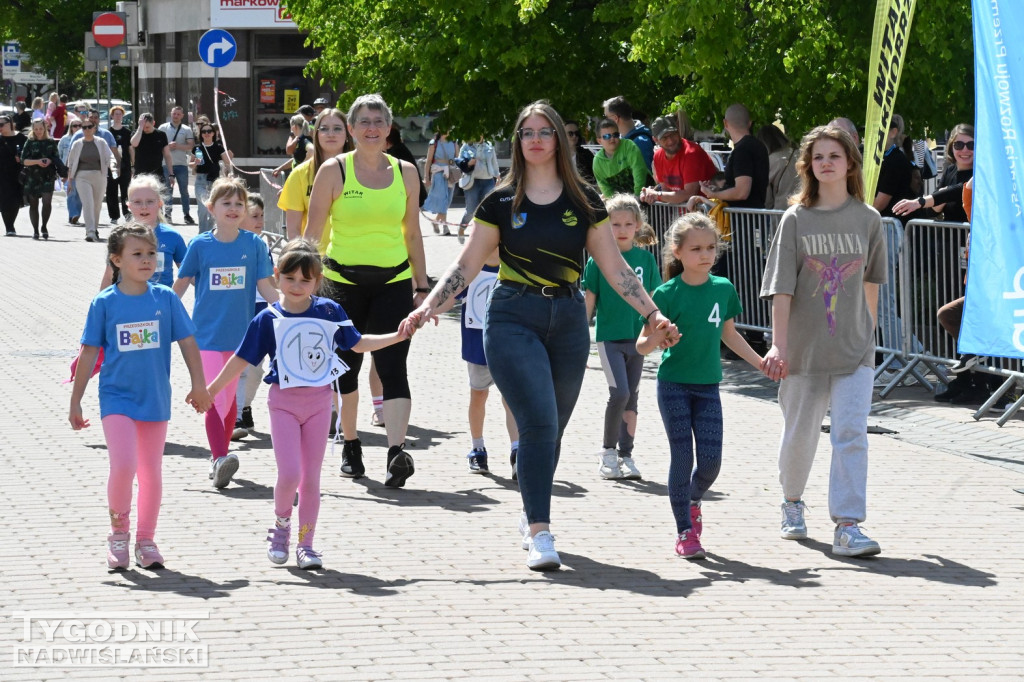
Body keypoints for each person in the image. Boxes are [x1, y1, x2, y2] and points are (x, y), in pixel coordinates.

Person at [406, 100, 679, 571]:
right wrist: (431, 303)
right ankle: (540, 531)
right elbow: (469, 263)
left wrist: (653, 315)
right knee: (537, 423)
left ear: (559, 139)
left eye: (544, 131)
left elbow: (615, 269)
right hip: (513, 314)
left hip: (569, 317)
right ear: (518, 141)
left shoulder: (586, 202)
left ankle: (531, 506)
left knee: (552, 430)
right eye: (527, 132)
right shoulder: (500, 202)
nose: (535, 139)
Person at [206, 240, 411, 569]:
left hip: (319, 405)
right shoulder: (268, 318)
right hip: (283, 405)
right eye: (290, 279)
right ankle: (281, 527)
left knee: (311, 479)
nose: (297, 286)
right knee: (289, 474)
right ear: (277, 278)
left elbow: (357, 343)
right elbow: (242, 359)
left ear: (317, 281)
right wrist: (211, 389)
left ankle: (307, 543)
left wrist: (397, 336)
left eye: (306, 280)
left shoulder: (330, 311)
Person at [760, 125, 887, 557]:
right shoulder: (796, 219)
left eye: (834, 156)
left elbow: (871, 284)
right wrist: (779, 345)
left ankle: (848, 524)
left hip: (855, 351)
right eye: (818, 158)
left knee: (851, 433)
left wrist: (868, 335)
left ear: (850, 163)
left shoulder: (869, 219)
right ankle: (792, 502)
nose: (826, 163)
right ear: (808, 167)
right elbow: (782, 289)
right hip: (802, 350)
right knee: (800, 434)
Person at [69, 223, 212, 570]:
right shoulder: (104, 303)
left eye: (151, 254)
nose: (147, 260)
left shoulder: (165, 298)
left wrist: (199, 384)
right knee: (124, 465)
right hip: (116, 398)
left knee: (150, 472)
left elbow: (189, 343)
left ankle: (146, 541)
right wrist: (76, 401)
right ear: (116, 260)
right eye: (137, 254)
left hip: (155, 399)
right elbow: (88, 353)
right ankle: (119, 534)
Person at [303, 93, 428, 487]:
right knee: (348, 367)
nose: (372, 128)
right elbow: (314, 233)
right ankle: (351, 443)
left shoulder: (407, 172)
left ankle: (396, 452)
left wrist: (422, 287)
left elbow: (412, 232)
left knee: (393, 366)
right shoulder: (334, 171)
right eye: (364, 122)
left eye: (379, 121)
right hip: (341, 284)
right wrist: (304, 285)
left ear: (389, 129)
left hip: (394, 282)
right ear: (352, 130)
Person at [637, 213, 764, 559]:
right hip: (674, 385)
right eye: (696, 249)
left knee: (710, 463)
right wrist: (658, 337)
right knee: (681, 456)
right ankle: (684, 532)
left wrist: (761, 364)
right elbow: (642, 345)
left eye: (710, 247)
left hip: (708, 388)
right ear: (677, 252)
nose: (705, 254)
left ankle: (691, 499)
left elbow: (730, 334)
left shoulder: (723, 288)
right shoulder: (665, 293)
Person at [173, 177, 279, 488]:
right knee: (213, 395)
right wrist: (158, 312)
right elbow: (178, 287)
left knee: (230, 398)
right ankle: (220, 457)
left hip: (240, 337)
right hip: (204, 335)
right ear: (211, 208)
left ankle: (218, 458)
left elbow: (266, 288)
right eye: (226, 203)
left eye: (238, 204)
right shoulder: (199, 245)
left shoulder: (254, 245)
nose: (233, 209)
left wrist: (293, 311)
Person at [583, 194, 660, 480]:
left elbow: (652, 301)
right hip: (609, 339)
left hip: (637, 340)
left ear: (638, 225)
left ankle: (626, 455)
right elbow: (589, 302)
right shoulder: (598, 260)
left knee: (633, 398)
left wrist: (656, 334)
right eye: (615, 224)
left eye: (628, 223)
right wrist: (579, 341)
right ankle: (607, 453)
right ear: (605, 226)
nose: (622, 229)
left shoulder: (646, 260)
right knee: (620, 392)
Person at [280, 108, 354, 253]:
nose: (331, 134)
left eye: (337, 129)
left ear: (347, 134)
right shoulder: (299, 174)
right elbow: (294, 230)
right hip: (316, 264)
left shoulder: (362, 171)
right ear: (316, 134)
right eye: (324, 129)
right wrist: (303, 260)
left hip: (354, 261)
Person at [100, 175, 187, 290]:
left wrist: (173, 299)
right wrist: (101, 306)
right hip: (128, 303)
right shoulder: (121, 236)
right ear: (129, 205)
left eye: (150, 201)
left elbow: (189, 275)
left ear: (159, 204)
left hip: (160, 306)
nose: (144, 207)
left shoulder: (172, 237)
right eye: (137, 202)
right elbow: (109, 275)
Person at [233, 195, 270, 440]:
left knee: (256, 369)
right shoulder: (228, 244)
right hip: (235, 310)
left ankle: (245, 406)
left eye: (261, 216)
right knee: (239, 367)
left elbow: (270, 281)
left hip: (259, 309)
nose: (260, 221)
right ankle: (234, 416)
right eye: (254, 216)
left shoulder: (262, 245)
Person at [689, 104, 769, 211]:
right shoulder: (758, 145)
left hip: (744, 221)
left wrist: (713, 194)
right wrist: (718, 190)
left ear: (725, 123)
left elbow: (741, 192)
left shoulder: (742, 150)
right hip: (755, 217)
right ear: (749, 123)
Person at [640, 115, 717, 206]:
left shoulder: (691, 153)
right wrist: (649, 195)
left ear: (678, 131)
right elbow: (666, 190)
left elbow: (689, 193)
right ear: (655, 140)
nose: (670, 140)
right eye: (664, 138)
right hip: (684, 215)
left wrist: (656, 195)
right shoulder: (658, 156)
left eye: (673, 134)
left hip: (707, 213)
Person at [67, 119, 113, 242]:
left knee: (97, 205)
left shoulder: (101, 142)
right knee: (88, 203)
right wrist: (70, 181)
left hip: (99, 175)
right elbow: (70, 163)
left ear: (94, 128)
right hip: (82, 176)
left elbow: (109, 157)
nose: (87, 129)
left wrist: (114, 170)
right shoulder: (77, 144)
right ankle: (90, 231)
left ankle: (94, 228)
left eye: (89, 127)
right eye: (84, 127)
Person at [20, 119, 61, 240]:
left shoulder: (50, 141)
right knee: (33, 204)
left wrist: (50, 160)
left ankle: (44, 226)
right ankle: (35, 230)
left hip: (47, 176)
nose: (38, 131)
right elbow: (24, 160)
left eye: (41, 129)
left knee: (47, 202)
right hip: (32, 176)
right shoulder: (30, 142)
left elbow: (56, 157)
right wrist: (37, 161)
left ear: (45, 129)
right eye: (36, 129)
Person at [456, 136, 501, 241]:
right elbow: (460, 161)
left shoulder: (489, 145)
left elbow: (494, 162)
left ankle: (482, 234)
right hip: (472, 181)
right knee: (471, 209)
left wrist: (497, 177)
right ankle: (462, 228)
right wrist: (468, 163)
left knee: (487, 208)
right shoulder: (466, 145)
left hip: (488, 181)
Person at [191, 123, 233, 233]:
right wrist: (194, 163)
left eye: (209, 131)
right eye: (204, 132)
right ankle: (202, 234)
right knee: (203, 209)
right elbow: (190, 164)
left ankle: (209, 233)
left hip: (215, 181)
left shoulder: (218, 147)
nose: (206, 134)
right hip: (201, 180)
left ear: (213, 133)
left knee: (212, 209)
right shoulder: (197, 148)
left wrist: (228, 174)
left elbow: (228, 162)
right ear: (201, 134)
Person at [158, 106, 196, 225]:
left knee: (184, 191)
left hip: (181, 164)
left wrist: (178, 146)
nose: (176, 116)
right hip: (165, 164)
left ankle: (187, 214)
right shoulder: (162, 128)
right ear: (171, 114)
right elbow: (157, 144)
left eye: (178, 114)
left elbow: (191, 145)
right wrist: (168, 146)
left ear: (182, 116)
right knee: (167, 191)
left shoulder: (186, 129)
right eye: (174, 114)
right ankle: (167, 215)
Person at [592, 118, 648, 198]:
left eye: (615, 135)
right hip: (621, 205)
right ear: (599, 141)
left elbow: (639, 172)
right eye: (607, 136)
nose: (612, 138)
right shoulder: (597, 161)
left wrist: (637, 197)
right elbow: (605, 188)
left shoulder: (629, 146)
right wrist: (616, 203)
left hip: (645, 198)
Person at [603, 96, 654, 170]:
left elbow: (643, 178)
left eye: (606, 117)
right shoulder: (621, 140)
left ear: (615, 118)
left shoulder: (640, 143)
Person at [756, 124, 800, 210]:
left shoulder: (770, 160)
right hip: (805, 209)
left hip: (782, 211)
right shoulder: (800, 154)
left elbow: (767, 199)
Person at [423, 130, 457, 233]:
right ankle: (445, 227)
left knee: (448, 200)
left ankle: (435, 221)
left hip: (450, 174)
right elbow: (428, 161)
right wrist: (426, 177)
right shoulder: (434, 143)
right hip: (438, 173)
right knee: (443, 200)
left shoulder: (454, 142)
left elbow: (457, 159)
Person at [106, 106, 133, 224]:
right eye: (115, 114)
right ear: (112, 116)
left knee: (125, 190)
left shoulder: (127, 132)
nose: (117, 116)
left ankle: (127, 213)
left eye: (120, 114)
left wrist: (133, 164)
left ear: (123, 116)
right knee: (111, 191)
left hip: (125, 165)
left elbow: (131, 149)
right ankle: (114, 216)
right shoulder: (108, 132)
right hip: (111, 166)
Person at [0, 115, 26, 236]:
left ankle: (11, 223)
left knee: (16, 200)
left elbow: (28, 154)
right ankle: (9, 227)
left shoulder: (21, 138)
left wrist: (21, 159)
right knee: (5, 200)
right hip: (2, 175)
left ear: (9, 123)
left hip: (17, 174)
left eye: (1, 124)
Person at [131, 113, 173, 181]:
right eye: (143, 126)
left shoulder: (161, 135)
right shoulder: (136, 133)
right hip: (140, 174)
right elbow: (134, 144)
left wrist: (171, 173)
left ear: (153, 123)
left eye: (147, 127)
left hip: (157, 174)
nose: (145, 129)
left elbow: (167, 155)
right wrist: (140, 128)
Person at [58, 119, 83, 225]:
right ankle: (73, 215)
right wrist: (61, 172)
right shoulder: (64, 139)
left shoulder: (85, 139)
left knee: (80, 194)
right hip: (68, 170)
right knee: (71, 193)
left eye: (79, 125)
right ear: (71, 127)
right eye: (74, 125)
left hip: (81, 170)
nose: (77, 127)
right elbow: (59, 155)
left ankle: (76, 214)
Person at [564, 120, 595, 185]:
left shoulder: (586, 155)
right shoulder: (556, 155)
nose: (574, 136)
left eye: (577, 133)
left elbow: (594, 177)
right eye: (570, 134)